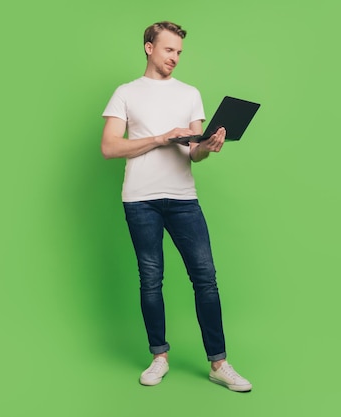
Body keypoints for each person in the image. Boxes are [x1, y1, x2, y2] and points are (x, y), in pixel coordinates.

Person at [100, 21, 252, 392]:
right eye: (169, 50)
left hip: (183, 199)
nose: (175, 58)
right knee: (151, 280)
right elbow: (110, 147)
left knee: (206, 279)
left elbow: (193, 153)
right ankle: (159, 358)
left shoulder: (190, 94)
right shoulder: (126, 93)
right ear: (150, 48)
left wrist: (208, 146)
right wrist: (159, 138)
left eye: (180, 52)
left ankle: (219, 363)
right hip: (140, 199)